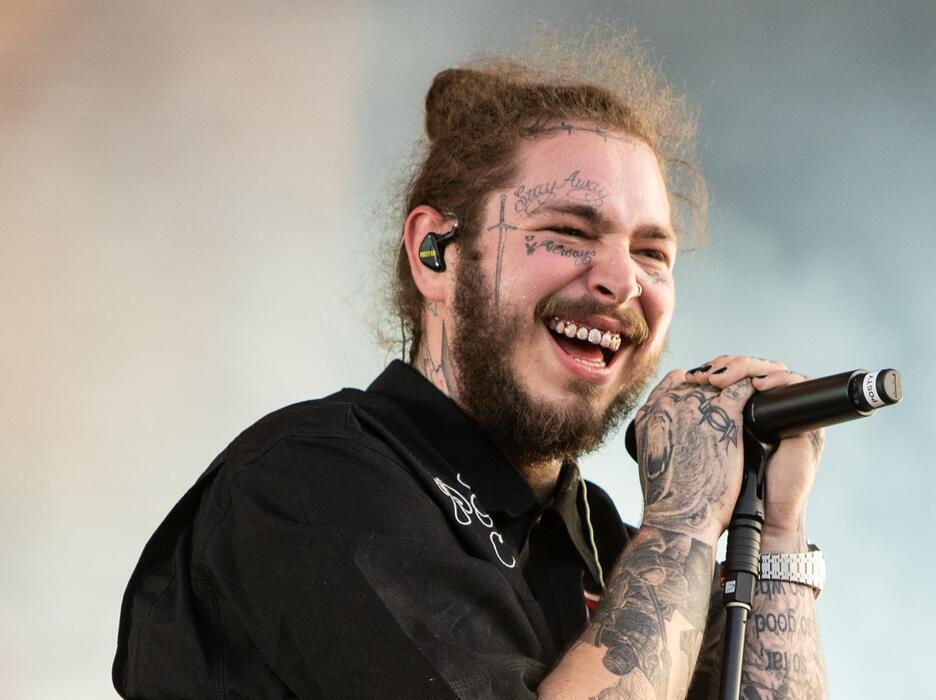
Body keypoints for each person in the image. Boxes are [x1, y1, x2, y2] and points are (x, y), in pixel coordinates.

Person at [114, 38, 828, 700]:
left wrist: (778, 536)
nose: (622, 281)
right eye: (568, 231)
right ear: (436, 254)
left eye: (652, 253)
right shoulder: (311, 482)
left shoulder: (607, 544)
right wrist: (685, 521)